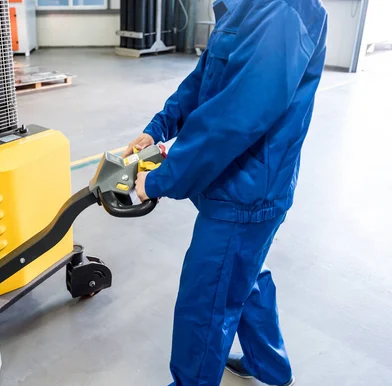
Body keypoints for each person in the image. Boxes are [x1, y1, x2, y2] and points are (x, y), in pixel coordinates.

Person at [123, 0, 328, 385]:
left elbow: (234, 118)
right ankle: (268, 365)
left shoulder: (282, 12)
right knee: (244, 274)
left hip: (248, 192)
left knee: (207, 300)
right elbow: (205, 79)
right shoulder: (241, 7)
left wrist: (161, 179)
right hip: (242, 181)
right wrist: (158, 127)